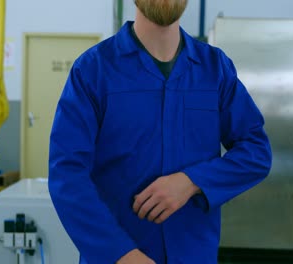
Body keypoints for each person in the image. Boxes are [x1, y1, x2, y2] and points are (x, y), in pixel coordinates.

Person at [48, 0, 272, 263]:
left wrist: (192, 181)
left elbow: (256, 151)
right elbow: (67, 174)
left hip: (194, 253)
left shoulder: (215, 69)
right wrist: (120, 253)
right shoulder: (92, 71)